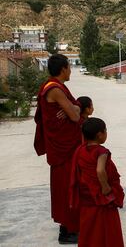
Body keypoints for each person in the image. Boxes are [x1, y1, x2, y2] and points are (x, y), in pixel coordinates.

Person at [34, 54, 82, 243]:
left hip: (64, 145)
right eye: (69, 67)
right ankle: (67, 231)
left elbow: (76, 107)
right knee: (66, 186)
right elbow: (76, 116)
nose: (70, 70)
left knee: (67, 185)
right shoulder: (55, 89)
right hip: (64, 149)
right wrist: (74, 109)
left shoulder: (55, 86)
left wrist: (74, 108)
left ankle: (68, 226)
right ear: (63, 69)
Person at [69, 117, 124, 247]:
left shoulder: (80, 150)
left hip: (87, 196)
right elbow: (100, 170)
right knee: (107, 228)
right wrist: (105, 188)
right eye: (105, 131)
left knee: (89, 229)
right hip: (100, 197)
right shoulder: (101, 151)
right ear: (100, 135)